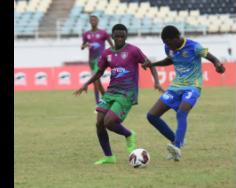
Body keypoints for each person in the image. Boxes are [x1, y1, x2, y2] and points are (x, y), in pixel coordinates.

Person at [74, 24, 164, 165]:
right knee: (99, 123)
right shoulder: (107, 53)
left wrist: (156, 82)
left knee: (109, 122)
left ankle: (129, 134)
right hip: (111, 92)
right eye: (117, 36)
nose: (120, 39)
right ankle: (109, 157)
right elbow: (99, 72)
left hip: (127, 92)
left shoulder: (133, 50)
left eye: (123, 36)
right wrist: (86, 84)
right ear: (113, 36)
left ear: (126, 36)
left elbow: (149, 64)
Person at [143, 25, 225, 161]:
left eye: (169, 43)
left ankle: (177, 146)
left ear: (177, 38)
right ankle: (176, 140)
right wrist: (153, 64)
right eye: (165, 44)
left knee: (181, 112)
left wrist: (218, 65)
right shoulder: (168, 47)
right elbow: (170, 59)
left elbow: (213, 58)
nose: (168, 46)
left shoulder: (194, 46)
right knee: (152, 115)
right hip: (175, 87)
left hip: (192, 86)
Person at [81, 15, 114, 105]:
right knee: (97, 81)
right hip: (91, 60)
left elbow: (112, 45)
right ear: (89, 22)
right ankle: (105, 99)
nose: (93, 21)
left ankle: (98, 103)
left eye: (95, 20)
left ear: (98, 21)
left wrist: (113, 54)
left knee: (95, 80)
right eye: (91, 20)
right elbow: (82, 46)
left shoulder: (103, 33)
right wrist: (85, 45)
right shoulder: (86, 34)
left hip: (100, 59)